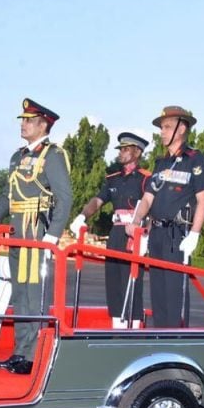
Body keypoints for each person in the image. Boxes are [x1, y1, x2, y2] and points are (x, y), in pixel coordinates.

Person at [0, 98, 73, 374]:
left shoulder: (53, 155)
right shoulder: (17, 156)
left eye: (29, 120)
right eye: (22, 120)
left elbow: (64, 198)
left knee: (35, 295)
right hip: (18, 230)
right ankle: (20, 353)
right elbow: (8, 195)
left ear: (43, 125)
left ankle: (34, 356)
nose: (23, 124)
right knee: (19, 294)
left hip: (36, 229)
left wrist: (53, 236)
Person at [129, 105, 204, 328]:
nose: (162, 132)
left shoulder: (195, 159)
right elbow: (147, 198)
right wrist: (136, 223)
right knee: (158, 295)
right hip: (156, 233)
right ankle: (160, 339)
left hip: (178, 236)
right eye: (162, 127)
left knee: (175, 296)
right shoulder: (161, 163)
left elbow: (203, 200)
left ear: (181, 128)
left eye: (166, 127)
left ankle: (176, 342)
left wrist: (194, 234)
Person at [69, 131, 152, 328]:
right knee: (113, 281)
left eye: (126, 149)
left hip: (134, 236)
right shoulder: (113, 178)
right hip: (116, 233)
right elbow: (97, 201)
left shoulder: (145, 178)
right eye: (120, 149)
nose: (121, 153)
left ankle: (133, 326)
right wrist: (81, 216)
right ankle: (117, 326)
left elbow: (152, 207)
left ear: (137, 152)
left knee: (131, 282)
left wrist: (146, 235)